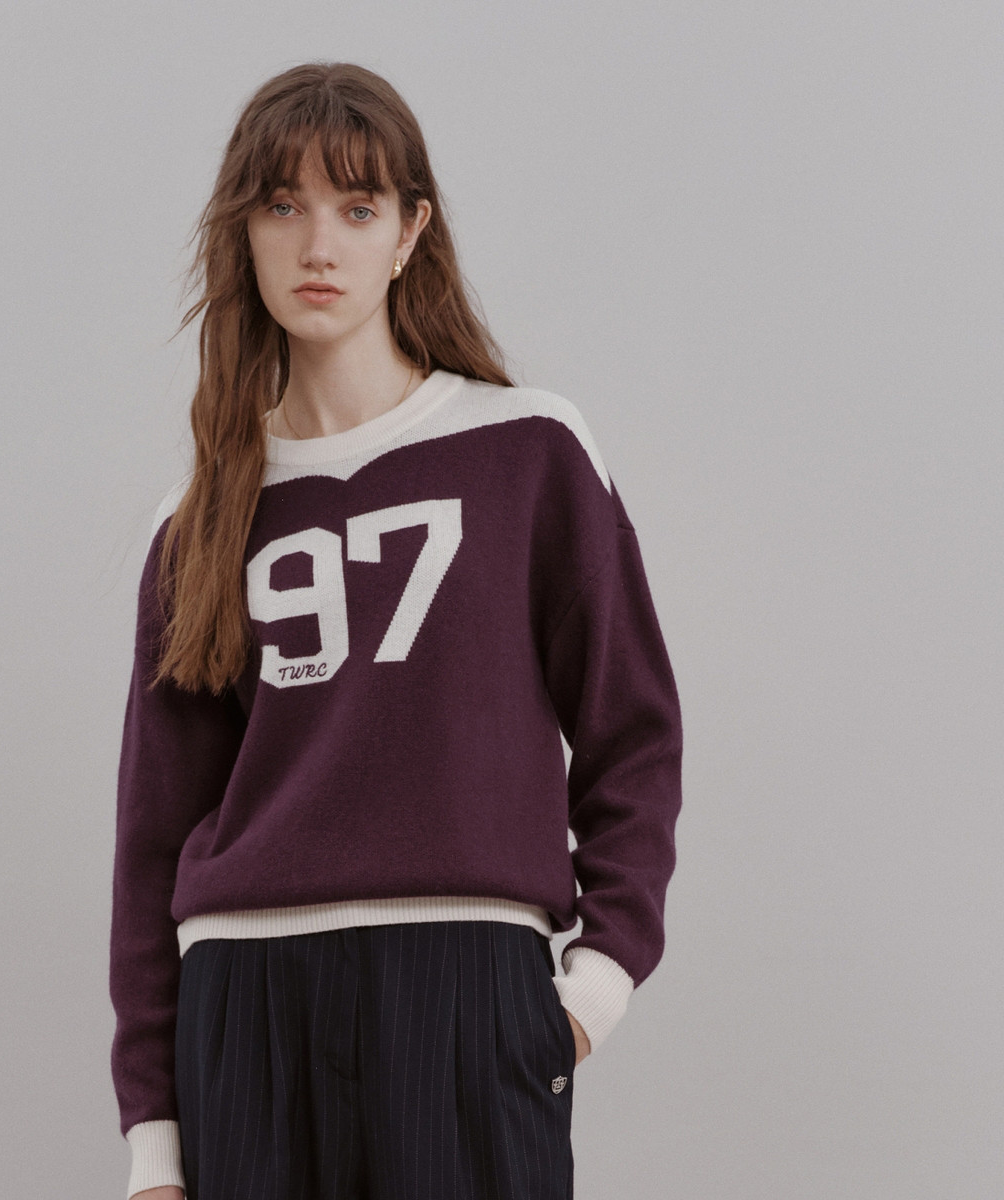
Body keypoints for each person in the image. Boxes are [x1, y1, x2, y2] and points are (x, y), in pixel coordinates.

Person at [109, 60, 683, 1200]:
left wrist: (592, 989)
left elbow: (635, 733)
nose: (319, 245)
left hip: (464, 991)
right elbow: (151, 840)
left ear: (410, 231)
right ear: (244, 233)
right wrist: (155, 1145)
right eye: (284, 205)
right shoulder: (201, 518)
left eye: (358, 208)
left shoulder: (528, 451)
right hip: (246, 1012)